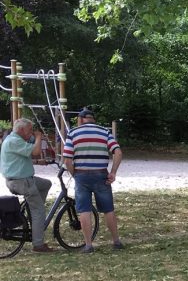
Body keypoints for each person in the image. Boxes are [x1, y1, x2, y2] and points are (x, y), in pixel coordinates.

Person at [63, 108, 124, 252]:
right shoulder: (104, 132)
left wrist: (75, 174)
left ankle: (88, 245)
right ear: (93, 119)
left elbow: (67, 160)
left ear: (80, 119)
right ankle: (116, 241)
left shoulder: (73, 133)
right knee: (108, 209)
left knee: (84, 210)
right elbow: (118, 152)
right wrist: (113, 172)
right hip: (101, 175)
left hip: (82, 175)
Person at [1, 118, 55, 252]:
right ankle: (38, 244)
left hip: (22, 179)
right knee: (39, 211)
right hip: (21, 182)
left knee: (46, 184)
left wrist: (37, 162)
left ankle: (33, 214)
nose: (32, 133)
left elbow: (21, 158)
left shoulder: (16, 139)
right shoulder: (14, 141)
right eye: (29, 130)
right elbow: (35, 152)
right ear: (21, 130)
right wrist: (38, 137)